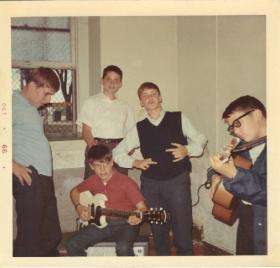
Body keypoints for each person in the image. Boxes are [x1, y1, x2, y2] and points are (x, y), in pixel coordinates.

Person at [113, 82, 207, 256]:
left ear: (160, 97)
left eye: (153, 93)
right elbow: (117, 152)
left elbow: (200, 139)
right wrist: (135, 162)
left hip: (177, 180)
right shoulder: (139, 128)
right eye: (145, 95)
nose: (150, 98)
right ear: (141, 102)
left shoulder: (178, 118)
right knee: (158, 231)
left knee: (182, 228)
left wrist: (187, 150)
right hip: (151, 185)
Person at [208, 95, 267, 255]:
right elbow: (217, 167)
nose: (234, 131)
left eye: (237, 124)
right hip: (247, 218)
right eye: (231, 127)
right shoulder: (242, 146)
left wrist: (233, 174)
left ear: (256, 114)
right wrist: (215, 175)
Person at [12, 67, 62, 256]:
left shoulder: (30, 107)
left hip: (43, 179)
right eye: (46, 94)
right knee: (30, 237)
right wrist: (12, 165)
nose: (48, 100)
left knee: (51, 235)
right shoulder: (10, 104)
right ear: (33, 85)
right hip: (30, 177)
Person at [65, 144, 147, 256]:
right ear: (91, 166)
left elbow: (142, 208)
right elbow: (74, 192)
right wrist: (78, 207)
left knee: (123, 247)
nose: (103, 170)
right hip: (101, 223)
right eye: (98, 166)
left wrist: (138, 216)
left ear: (112, 162)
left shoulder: (126, 183)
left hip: (126, 224)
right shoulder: (92, 180)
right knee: (72, 244)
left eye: (106, 164)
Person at [77, 65, 134, 179]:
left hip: (119, 149)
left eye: (116, 80)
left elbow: (131, 133)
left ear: (120, 84)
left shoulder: (125, 106)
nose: (112, 83)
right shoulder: (91, 102)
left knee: (119, 186)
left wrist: (127, 150)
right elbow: (86, 130)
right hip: (97, 147)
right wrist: (93, 148)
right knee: (94, 186)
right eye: (108, 79)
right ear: (102, 81)